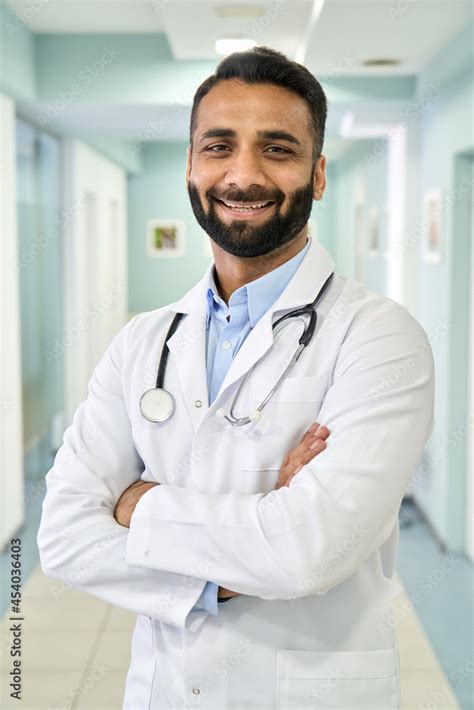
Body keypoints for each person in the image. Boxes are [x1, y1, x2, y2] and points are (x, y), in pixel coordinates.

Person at [37, 46, 435, 709]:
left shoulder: (380, 338)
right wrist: (244, 548)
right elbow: (65, 537)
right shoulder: (144, 341)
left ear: (319, 173)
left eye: (277, 149)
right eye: (219, 147)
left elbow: (309, 550)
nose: (243, 174)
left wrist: (140, 506)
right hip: (166, 691)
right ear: (192, 166)